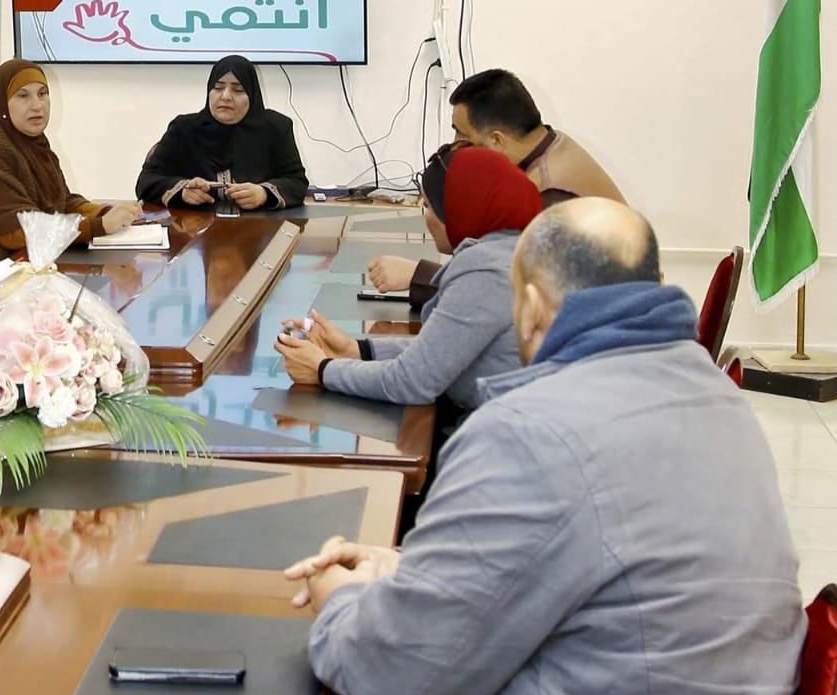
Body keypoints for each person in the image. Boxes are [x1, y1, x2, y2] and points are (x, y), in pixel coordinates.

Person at [286, 198, 804, 695]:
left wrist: (339, 599)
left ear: (531, 308)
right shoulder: (721, 399)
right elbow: (605, 555)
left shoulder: (528, 432)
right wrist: (414, 570)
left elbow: (393, 671)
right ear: (654, 284)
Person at [276, 147, 539, 429]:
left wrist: (322, 369)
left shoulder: (484, 270)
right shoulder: (514, 248)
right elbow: (442, 349)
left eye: (428, 206)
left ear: (457, 209)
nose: (425, 217)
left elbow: (412, 381)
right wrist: (356, 349)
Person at [368, 68, 625, 305]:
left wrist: (418, 274)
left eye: (462, 135)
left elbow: (505, 296)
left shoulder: (548, 196)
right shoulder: (549, 144)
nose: (455, 145)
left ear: (497, 140)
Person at [0, 60, 138, 269]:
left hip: (23, 264)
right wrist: (99, 226)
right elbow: (20, 230)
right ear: (2, 103)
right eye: (23, 96)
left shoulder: (29, 141)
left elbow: (63, 202)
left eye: (42, 94)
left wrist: (107, 212)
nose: (37, 105)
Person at [134, 55, 310, 210]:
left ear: (252, 95)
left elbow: (297, 182)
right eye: (218, 87)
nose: (225, 96)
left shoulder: (276, 128)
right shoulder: (184, 129)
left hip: (259, 228)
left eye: (238, 90)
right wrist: (183, 190)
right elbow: (147, 181)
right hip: (194, 228)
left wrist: (263, 193)